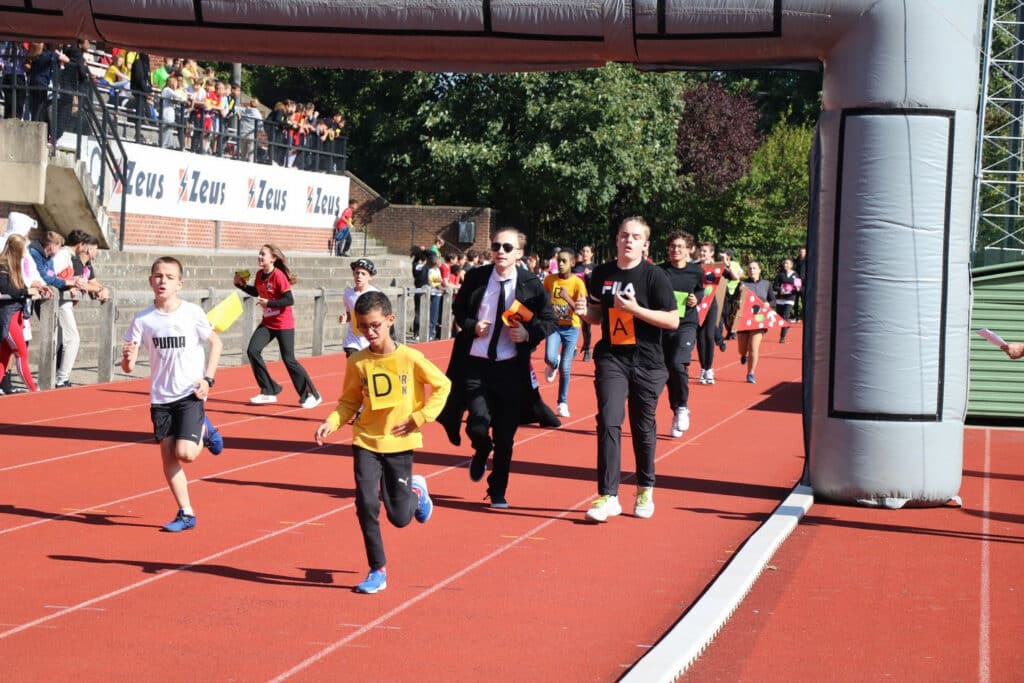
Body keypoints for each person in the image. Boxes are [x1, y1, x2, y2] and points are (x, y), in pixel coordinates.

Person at [314, 291, 451, 594]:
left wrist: (420, 417)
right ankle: (378, 569)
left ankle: (417, 491)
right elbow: (349, 402)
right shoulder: (358, 362)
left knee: (400, 517)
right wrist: (331, 422)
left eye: (375, 325)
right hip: (365, 440)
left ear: (390, 320)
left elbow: (443, 385)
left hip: (399, 441)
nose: (370, 332)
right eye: (363, 327)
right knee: (365, 503)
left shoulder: (410, 358)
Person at [436, 228, 557, 508]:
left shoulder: (530, 284)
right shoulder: (478, 277)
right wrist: (472, 326)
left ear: (519, 253)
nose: (500, 251)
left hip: (510, 369)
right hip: (476, 364)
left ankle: (498, 490)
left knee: (505, 435)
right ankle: (481, 447)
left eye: (507, 247)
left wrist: (528, 334)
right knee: (477, 424)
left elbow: (549, 320)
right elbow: (459, 309)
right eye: (496, 246)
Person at [575, 217, 678, 523]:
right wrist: (584, 312)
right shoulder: (602, 273)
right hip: (612, 357)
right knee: (608, 419)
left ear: (645, 244)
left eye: (635, 237)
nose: (628, 241)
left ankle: (645, 487)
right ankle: (608, 495)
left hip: (647, 361)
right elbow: (597, 315)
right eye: (624, 236)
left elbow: (672, 320)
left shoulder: (655, 276)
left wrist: (636, 310)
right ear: (617, 240)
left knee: (642, 427)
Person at [121, 256, 224, 532]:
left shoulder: (191, 313)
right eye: (158, 276)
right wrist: (128, 358)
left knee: (186, 454)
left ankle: (205, 430)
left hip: (190, 393)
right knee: (168, 458)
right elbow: (128, 367)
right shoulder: (143, 320)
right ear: (150, 281)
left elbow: (216, 343)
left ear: (180, 284)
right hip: (161, 398)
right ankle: (186, 513)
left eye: (169, 277)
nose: (162, 281)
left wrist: (208, 379)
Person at [233, 244, 322, 408]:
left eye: (263, 254)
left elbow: (289, 300)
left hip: (283, 324)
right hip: (268, 323)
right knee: (252, 350)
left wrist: (270, 303)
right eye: (259, 254)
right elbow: (257, 292)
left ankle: (312, 394)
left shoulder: (278, 276)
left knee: (289, 360)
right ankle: (269, 390)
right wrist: (241, 285)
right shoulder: (259, 274)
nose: (260, 257)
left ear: (273, 258)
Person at [660, 231, 704, 438]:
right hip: (663, 324)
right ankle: (676, 410)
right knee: (668, 369)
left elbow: (700, 290)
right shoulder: (660, 271)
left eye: (680, 247)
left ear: (689, 250)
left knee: (678, 363)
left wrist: (696, 299)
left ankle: (683, 407)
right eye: (672, 246)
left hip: (686, 323)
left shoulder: (695, 271)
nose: (675, 250)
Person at [53, 230, 110, 388]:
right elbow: (81, 284)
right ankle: (61, 378)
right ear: (87, 249)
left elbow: (93, 282)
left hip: (67, 304)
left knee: (63, 339)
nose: (97, 252)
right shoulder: (75, 261)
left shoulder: (87, 264)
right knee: (72, 339)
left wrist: (102, 288)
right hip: (60, 302)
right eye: (96, 249)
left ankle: (58, 377)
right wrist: (98, 289)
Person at [0, 235, 50, 393]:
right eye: (23, 249)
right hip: (8, 317)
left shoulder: (15, 265)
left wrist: (37, 287)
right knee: (21, 353)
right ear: (16, 250)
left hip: (17, 315)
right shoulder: (3, 266)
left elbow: (19, 286)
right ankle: (33, 389)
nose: (25, 253)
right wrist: (27, 291)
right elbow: (6, 289)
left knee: (4, 355)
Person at [543, 248, 587, 417]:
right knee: (549, 358)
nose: (560, 264)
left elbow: (581, 311)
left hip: (571, 328)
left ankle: (562, 402)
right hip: (554, 326)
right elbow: (543, 300)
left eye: (564, 261)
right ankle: (554, 364)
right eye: (559, 261)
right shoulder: (549, 280)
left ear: (572, 263)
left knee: (566, 367)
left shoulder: (578, 283)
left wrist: (567, 298)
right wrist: (549, 308)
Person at [735, 261, 776, 384]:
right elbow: (733, 300)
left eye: (754, 268)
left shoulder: (766, 284)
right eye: (750, 268)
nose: (752, 270)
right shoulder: (742, 284)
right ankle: (744, 355)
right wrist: (738, 299)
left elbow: (773, 301)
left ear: (759, 270)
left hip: (759, 320)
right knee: (742, 349)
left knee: (753, 347)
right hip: (744, 319)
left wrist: (768, 304)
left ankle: (751, 373)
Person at [339, 258, 379, 356]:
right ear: (353, 274)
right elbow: (349, 313)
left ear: (370, 277)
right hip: (353, 340)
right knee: (355, 363)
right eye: (357, 273)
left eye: (363, 274)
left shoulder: (376, 294)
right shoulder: (348, 294)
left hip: (370, 340)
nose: (359, 276)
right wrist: (345, 318)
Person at [572, 244, 596, 361]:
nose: (585, 253)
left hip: (587, 300)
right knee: (573, 324)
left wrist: (589, 276)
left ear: (592, 254)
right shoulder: (576, 267)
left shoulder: (595, 268)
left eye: (587, 251)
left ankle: (586, 349)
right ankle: (573, 348)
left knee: (586, 327)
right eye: (584, 251)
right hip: (575, 299)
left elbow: (596, 285)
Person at [772, 257, 801, 343]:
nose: (785, 265)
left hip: (790, 298)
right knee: (780, 317)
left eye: (787, 263)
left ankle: (782, 337)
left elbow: (798, 286)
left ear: (791, 265)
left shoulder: (795, 275)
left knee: (785, 316)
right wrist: (780, 290)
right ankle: (787, 324)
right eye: (784, 263)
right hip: (781, 298)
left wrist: (797, 289)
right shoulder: (780, 274)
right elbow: (774, 286)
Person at [793, 246, 808, 321]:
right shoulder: (796, 261)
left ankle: (804, 316)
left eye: (803, 252)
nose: (802, 253)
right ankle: (796, 316)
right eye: (801, 252)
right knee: (795, 300)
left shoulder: (808, 261)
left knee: (803, 301)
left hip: (804, 283)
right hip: (796, 282)